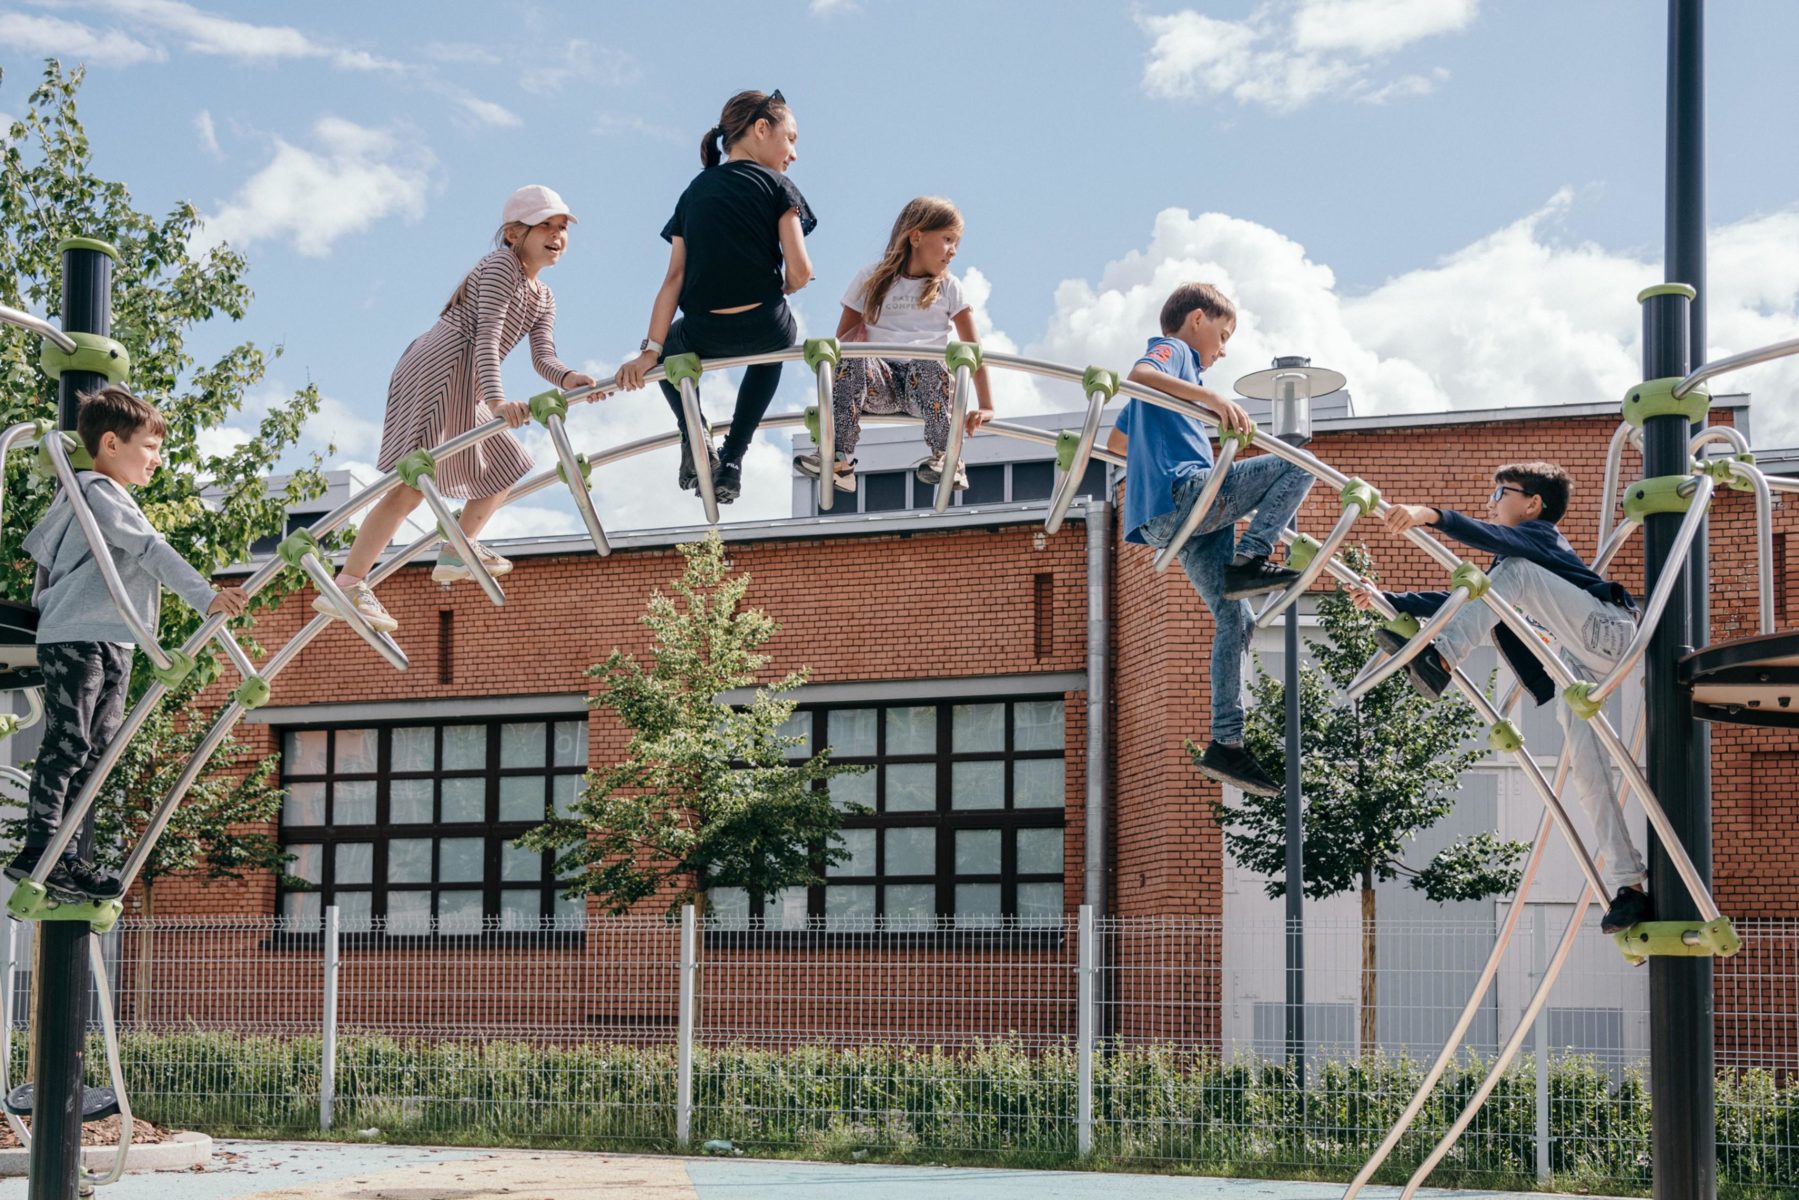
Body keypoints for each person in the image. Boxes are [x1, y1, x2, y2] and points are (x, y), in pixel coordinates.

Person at [1347, 461, 1650, 934]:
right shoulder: (1513, 567)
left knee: (1514, 572)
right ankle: (1630, 886)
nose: (1493, 503)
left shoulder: (1541, 539)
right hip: (1580, 663)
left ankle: (1443, 655)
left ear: (1533, 504)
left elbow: (1491, 542)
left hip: (1608, 631)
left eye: (1501, 494)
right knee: (1588, 778)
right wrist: (1390, 598)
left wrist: (1431, 515)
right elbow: (1472, 599)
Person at [317, 185, 598, 634]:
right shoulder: (500, 267)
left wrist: (569, 379)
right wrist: (497, 402)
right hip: (442, 365)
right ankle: (350, 581)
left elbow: (543, 355)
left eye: (562, 227)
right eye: (545, 224)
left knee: (509, 461)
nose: (557, 234)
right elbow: (486, 337)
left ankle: (456, 546)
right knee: (414, 480)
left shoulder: (543, 296)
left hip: (470, 380)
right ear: (513, 233)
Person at [7, 386, 250, 900]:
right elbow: (149, 549)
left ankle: (65, 855)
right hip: (80, 632)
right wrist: (205, 596)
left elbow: (49, 566)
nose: (158, 460)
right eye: (151, 448)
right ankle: (39, 848)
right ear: (112, 443)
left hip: (114, 637)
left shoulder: (101, 497)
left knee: (97, 753)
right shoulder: (96, 490)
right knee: (71, 741)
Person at [1106, 283, 1314, 798]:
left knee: (1234, 619)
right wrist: (1211, 399)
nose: (1223, 351)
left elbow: (1116, 443)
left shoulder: (1172, 393)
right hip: (1186, 496)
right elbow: (1138, 375)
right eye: (1222, 336)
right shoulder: (1176, 354)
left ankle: (1227, 742)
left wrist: (1173, 425)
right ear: (1197, 319)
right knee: (1298, 461)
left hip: (1174, 521)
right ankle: (1253, 557)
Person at [615, 89, 817, 505]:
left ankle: (695, 436)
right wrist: (788, 287)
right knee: (778, 347)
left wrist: (649, 351)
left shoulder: (694, 192)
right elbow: (801, 270)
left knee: (671, 348)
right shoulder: (780, 185)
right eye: (791, 138)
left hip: (705, 328)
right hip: (765, 323)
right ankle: (734, 459)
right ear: (762, 129)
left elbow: (673, 277)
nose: (794, 154)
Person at [797, 196, 992, 495]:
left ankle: (947, 457)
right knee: (852, 357)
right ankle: (839, 460)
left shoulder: (948, 286)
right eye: (948, 239)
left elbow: (972, 351)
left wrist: (987, 404)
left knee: (929, 362)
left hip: (926, 392)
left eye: (957, 243)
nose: (953, 251)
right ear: (916, 236)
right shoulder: (871, 278)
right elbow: (843, 342)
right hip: (880, 385)